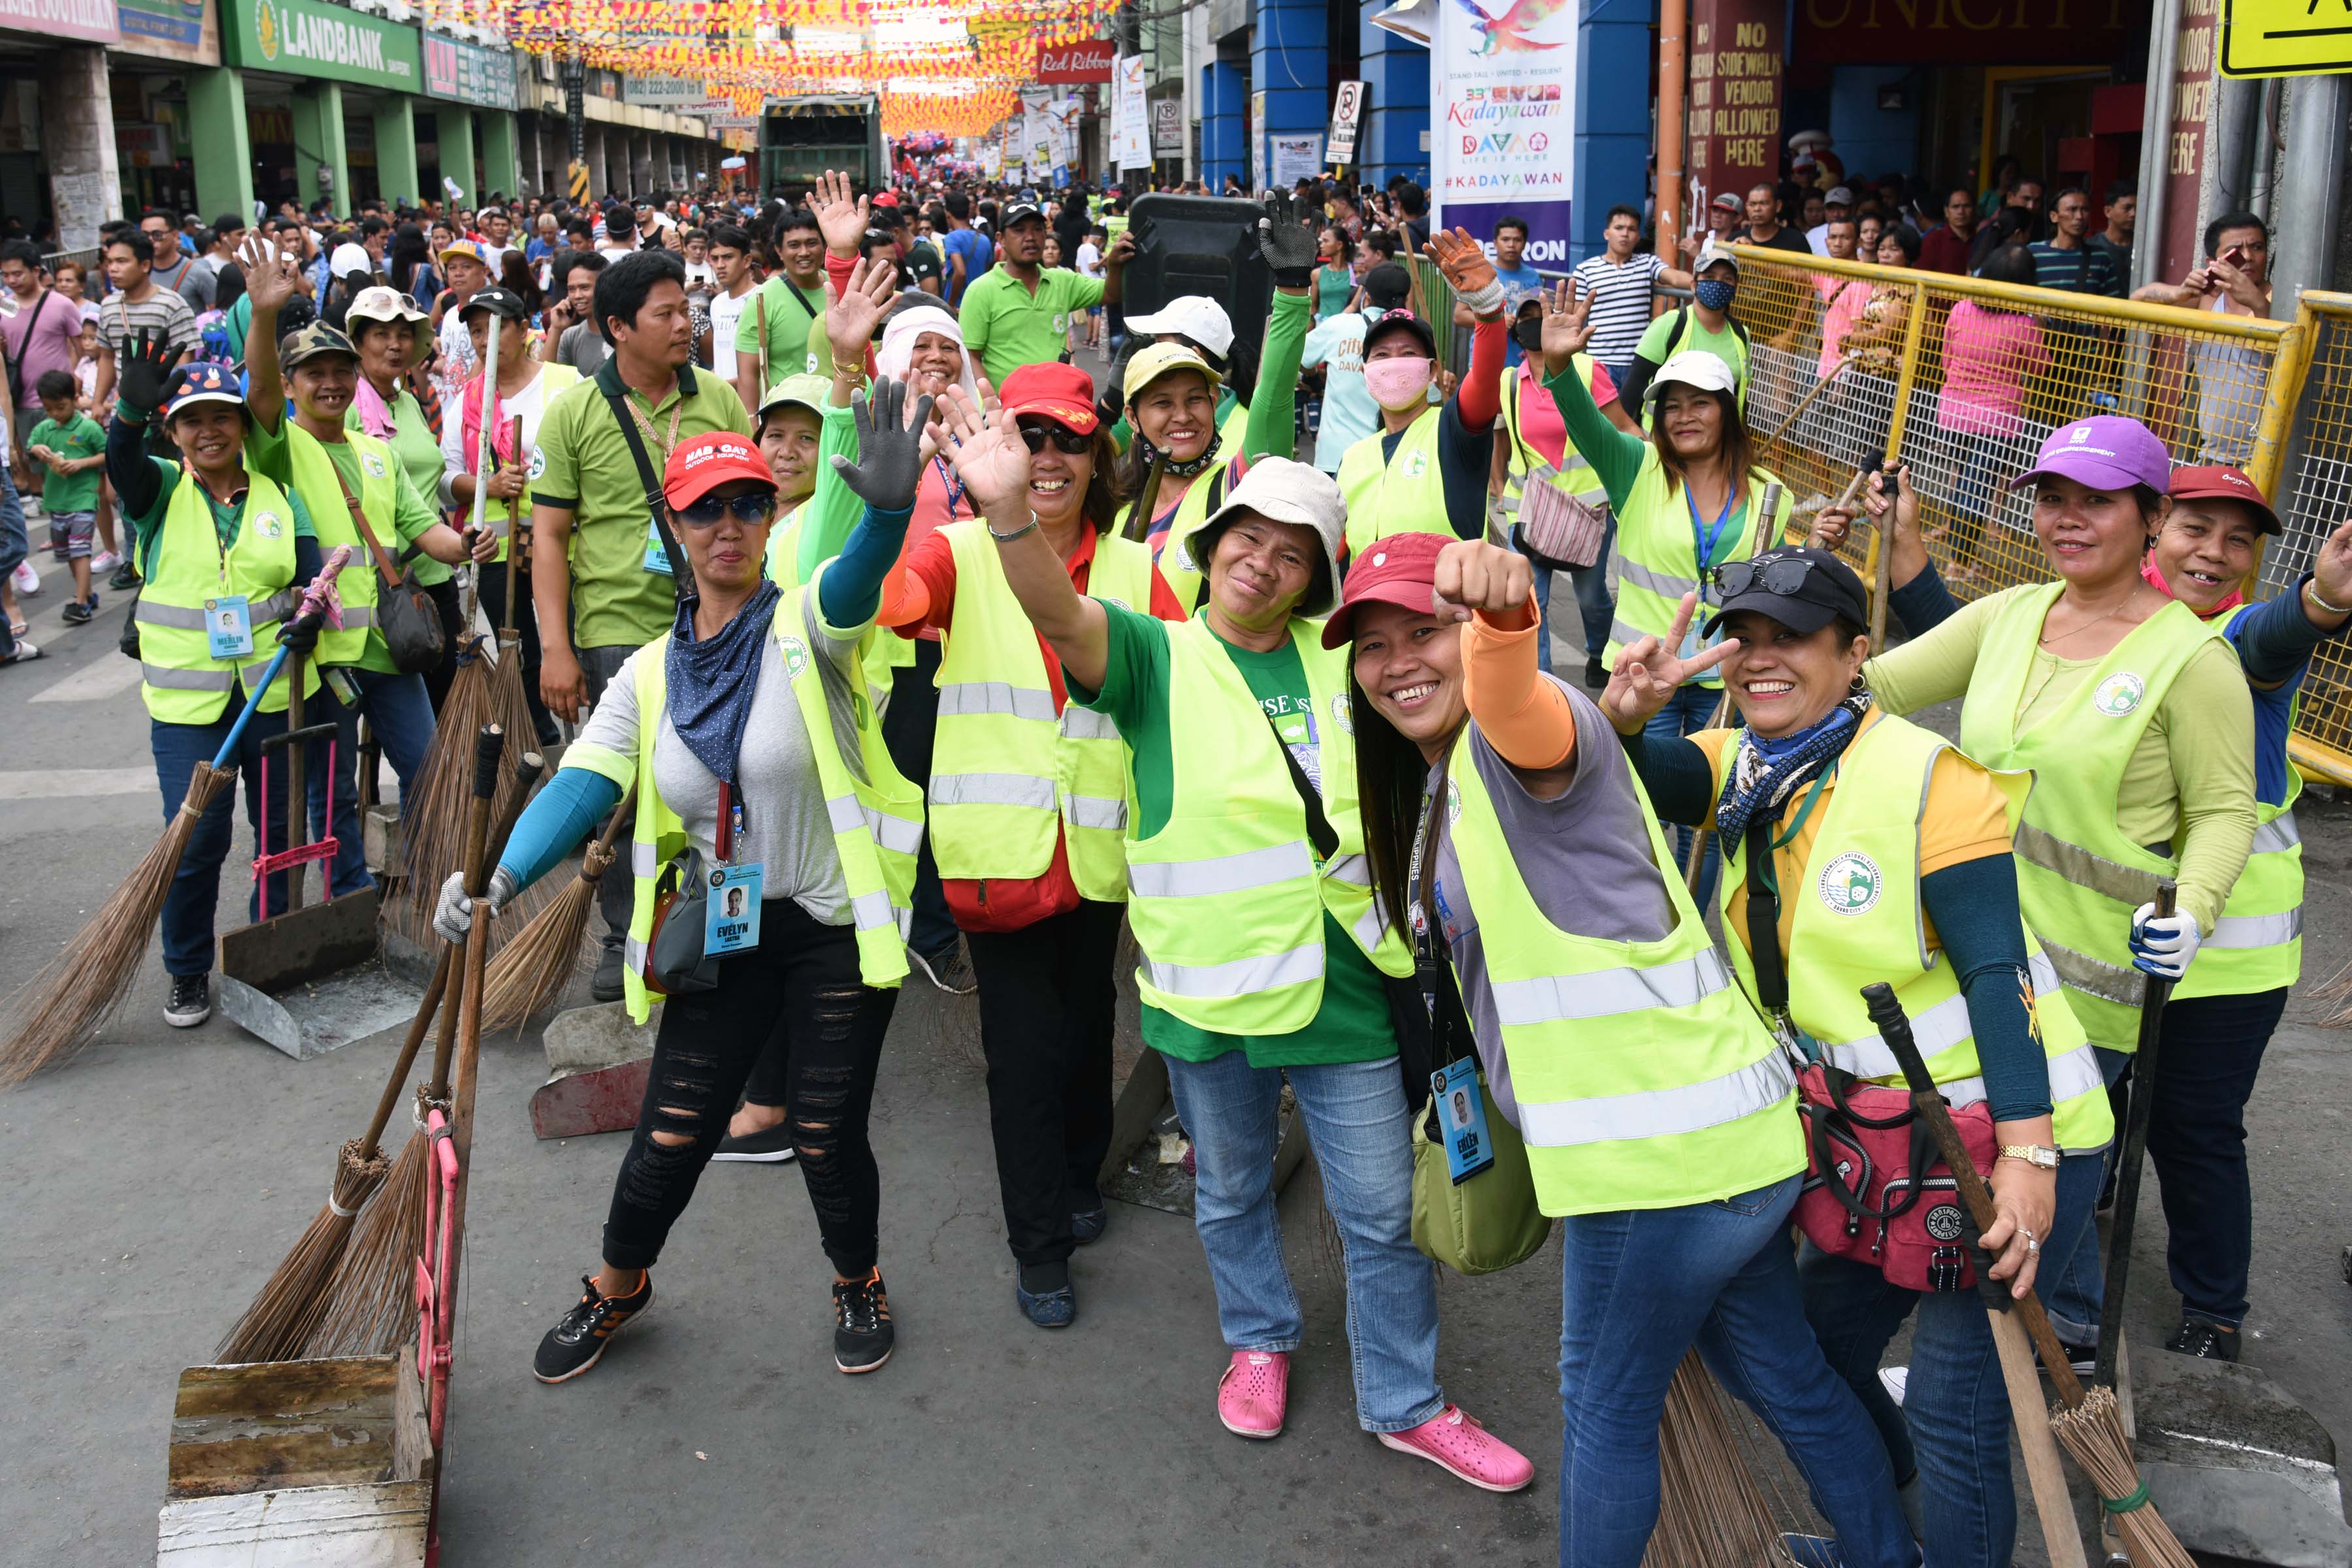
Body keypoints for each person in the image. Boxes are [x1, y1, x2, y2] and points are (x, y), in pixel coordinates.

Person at [951, 387, 1535, 1484]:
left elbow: (1447, 697)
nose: (1263, 565)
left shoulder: (1346, 659)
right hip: (1207, 993)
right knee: (1228, 1191)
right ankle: (1259, 1340)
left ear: (1315, 578)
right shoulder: (1154, 656)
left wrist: (1502, 614)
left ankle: (1404, 1398)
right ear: (1213, 544)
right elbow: (1059, 616)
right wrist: (1009, 517)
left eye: (1292, 554)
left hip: (1344, 992)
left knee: (1380, 1211)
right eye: (1248, 540)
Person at [1328, 529, 1914, 1565]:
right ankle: (1887, 1556)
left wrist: (1505, 615)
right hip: (1726, 1143)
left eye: (1425, 631)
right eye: (1372, 645)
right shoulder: (1454, 776)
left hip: (1659, 1166)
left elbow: (1520, 705)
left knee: (1603, 1408)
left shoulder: (1513, 742)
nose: (1397, 663)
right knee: (1784, 1378)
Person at [1602, 545, 2108, 1565]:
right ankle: (1897, 1542)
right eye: (1744, 639)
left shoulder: (1931, 780)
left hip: (2000, 1133)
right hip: (1873, 1138)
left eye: (1791, 638)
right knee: (1814, 1350)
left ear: (1856, 653)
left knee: (1958, 1409)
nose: (1760, 659)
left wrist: (2030, 1157)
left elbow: (1997, 974)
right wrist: (1625, 716)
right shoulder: (1742, 765)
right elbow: (1634, 777)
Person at [439, 393, 930, 1383]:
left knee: (825, 1133)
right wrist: (496, 877)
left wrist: (885, 515)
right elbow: (584, 783)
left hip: (833, 924)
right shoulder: (650, 674)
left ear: (770, 516)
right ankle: (618, 1286)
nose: (728, 526)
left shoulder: (810, 625)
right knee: (670, 1132)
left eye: (748, 504)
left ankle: (858, 1279)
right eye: (706, 509)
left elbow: (857, 582)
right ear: (673, 524)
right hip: (726, 931)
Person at [1836, 457, 2349, 1369]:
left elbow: (2277, 639)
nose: (2214, 553)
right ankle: (2064, 1318)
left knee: (2188, 1135)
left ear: (2140, 518)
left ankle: (2209, 1312)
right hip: (2068, 953)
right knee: (2081, 1141)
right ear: (2163, 530)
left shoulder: (2221, 643)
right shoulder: (2050, 615)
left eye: (2239, 541)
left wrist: (2322, 599)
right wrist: (1894, 560)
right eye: (2199, 530)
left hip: (2221, 955)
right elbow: (1976, 646)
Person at [843, 359, 1184, 1324]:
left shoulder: (1135, 570)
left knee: (1086, 1030)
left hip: (1100, 860)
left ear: (1098, 458)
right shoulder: (957, 551)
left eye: (1068, 439)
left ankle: (1078, 1178)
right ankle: (1039, 1248)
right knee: (1025, 1056)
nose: (1047, 457)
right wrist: (883, 517)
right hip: (998, 858)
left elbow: (1178, 693)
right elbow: (885, 605)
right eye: (1027, 436)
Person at [531, 247, 756, 1004]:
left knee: (725, 783)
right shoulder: (573, 413)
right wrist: (556, 648)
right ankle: (626, 935)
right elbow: (549, 538)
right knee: (625, 793)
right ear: (617, 328)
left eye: (686, 310)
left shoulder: (718, 399)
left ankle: (718, 930)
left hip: (720, 623)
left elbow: (755, 506)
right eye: (665, 314)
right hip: (617, 629)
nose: (685, 324)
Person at [1533, 282, 1795, 894]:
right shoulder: (1636, 467)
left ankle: (1694, 921)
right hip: (1641, 675)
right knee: (1639, 801)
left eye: (1700, 403)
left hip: (1723, 678)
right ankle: (1649, 911)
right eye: (1671, 405)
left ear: (1727, 410)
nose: (1683, 416)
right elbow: (1582, 422)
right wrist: (1560, 366)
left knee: (1713, 810)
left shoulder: (1769, 494)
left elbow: (1775, 586)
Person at [242, 246, 482, 894]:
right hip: (319, 656)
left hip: (386, 648)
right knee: (333, 793)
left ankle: (434, 883)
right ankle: (348, 894)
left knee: (428, 767)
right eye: (313, 374)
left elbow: (424, 529)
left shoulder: (377, 454)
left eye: (340, 372)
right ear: (291, 384)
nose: (330, 384)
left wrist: (467, 545)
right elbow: (256, 394)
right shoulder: (279, 447)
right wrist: (263, 316)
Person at [103, 335, 327, 1030]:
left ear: (242, 426)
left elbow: (311, 579)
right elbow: (122, 465)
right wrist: (127, 417)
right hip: (187, 708)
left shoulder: (280, 497)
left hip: (273, 694)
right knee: (195, 842)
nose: (209, 431)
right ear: (174, 433)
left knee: (280, 836)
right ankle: (187, 972)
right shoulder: (159, 492)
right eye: (192, 420)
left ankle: (269, 955)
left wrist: (309, 619)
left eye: (222, 417)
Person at [1119, 195, 1316, 609]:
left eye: (1195, 399)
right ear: (1132, 418)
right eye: (1162, 403)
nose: (1182, 416)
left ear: (1214, 399)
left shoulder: (1238, 483)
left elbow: (1275, 393)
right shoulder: (1113, 502)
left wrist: (1293, 289)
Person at [442, 284, 581, 747]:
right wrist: (490, 485)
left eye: (496, 328)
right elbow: (447, 479)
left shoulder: (566, 383)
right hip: (498, 549)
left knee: (574, 636)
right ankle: (537, 739)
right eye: (476, 332)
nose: (485, 340)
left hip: (566, 543)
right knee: (516, 648)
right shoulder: (469, 400)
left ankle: (588, 734)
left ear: (524, 330)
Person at [1337, 231, 1511, 566]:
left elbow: (1485, 378)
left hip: (1448, 602)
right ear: (1365, 372)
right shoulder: (1353, 458)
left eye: (1408, 353)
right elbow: (1340, 551)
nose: (1394, 363)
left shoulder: (1454, 431)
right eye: (1382, 355)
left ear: (1432, 371)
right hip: (1366, 600)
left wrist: (1488, 310)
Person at [1491, 299, 1635, 686]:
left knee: (1591, 598)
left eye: (1540, 317)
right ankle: (1543, 686)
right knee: (1531, 600)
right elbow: (1500, 439)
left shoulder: (1587, 370)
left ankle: (1599, 651)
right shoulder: (1508, 381)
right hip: (1530, 510)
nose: (1534, 324)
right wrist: (1495, 485)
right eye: (1526, 318)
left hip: (1588, 510)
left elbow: (1624, 428)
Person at [1925, 243, 2046, 580]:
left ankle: (1962, 555)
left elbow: (1947, 357)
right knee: (1976, 489)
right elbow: (2041, 367)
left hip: (1953, 412)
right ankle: (1960, 562)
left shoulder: (1961, 308)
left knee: (1963, 483)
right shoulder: (2023, 324)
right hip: (1997, 420)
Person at [2132, 211, 2270, 465]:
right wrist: (2180, 293)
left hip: (2269, 458)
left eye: (2257, 247)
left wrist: (2259, 305)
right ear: (2214, 263)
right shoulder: (2207, 300)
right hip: (2215, 454)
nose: (2249, 257)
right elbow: (2138, 300)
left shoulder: (2278, 300)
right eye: (2236, 251)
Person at [962, 198, 1134, 387]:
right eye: (1019, 230)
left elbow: (1111, 293)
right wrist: (990, 399)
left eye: (1037, 229)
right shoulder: (980, 291)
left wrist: (1114, 265)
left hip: (1057, 402)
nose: (1030, 237)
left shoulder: (1063, 281)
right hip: (1005, 404)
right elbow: (970, 355)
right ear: (1001, 239)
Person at [1301, 261, 1408, 479]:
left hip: (1335, 457)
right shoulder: (1411, 339)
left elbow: (1301, 357)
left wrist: (1314, 377)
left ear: (1366, 297)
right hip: (1389, 460)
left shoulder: (1340, 325)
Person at [1620, 240, 1748, 411]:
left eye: (1727, 279)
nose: (1718, 284)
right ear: (1694, 285)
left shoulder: (1741, 334)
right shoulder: (1669, 325)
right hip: (1664, 428)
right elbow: (1634, 388)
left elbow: (1740, 394)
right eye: (1710, 277)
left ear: (1735, 288)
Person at [24, 370, 105, 625]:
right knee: (68, 553)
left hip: (83, 499)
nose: (55, 414)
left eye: (60, 407)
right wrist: (36, 450)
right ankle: (87, 594)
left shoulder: (88, 428)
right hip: (56, 501)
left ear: (74, 399)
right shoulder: (43, 428)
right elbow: (30, 448)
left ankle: (80, 603)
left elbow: (107, 454)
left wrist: (82, 463)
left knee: (81, 551)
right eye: (49, 409)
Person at [91, 229, 201, 416]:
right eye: (109, 262)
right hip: (124, 408)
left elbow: (186, 359)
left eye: (122, 261)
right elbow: (107, 357)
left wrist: (178, 407)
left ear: (145, 265)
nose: (113, 268)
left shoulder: (172, 305)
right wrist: (98, 403)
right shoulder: (108, 306)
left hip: (163, 408)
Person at [1568, 206, 1676, 378]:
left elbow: (1674, 278)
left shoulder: (1648, 263)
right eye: (1619, 228)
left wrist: (1700, 281)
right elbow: (1575, 319)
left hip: (1638, 361)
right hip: (1599, 361)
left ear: (1638, 237)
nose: (1625, 234)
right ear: (1607, 234)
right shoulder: (1585, 269)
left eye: (1631, 229)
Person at [734, 207, 826, 405]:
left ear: (824, 245)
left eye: (812, 243)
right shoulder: (761, 301)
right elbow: (748, 375)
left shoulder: (842, 289)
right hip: (788, 416)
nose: (804, 252)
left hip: (839, 415)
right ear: (779, 251)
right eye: (794, 245)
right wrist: (751, 422)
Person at [1452, 214, 1546, 367]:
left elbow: (1538, 317)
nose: (1511, 245)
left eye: (1517, 240)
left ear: (1524, 244)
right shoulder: (1481, 273)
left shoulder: (1533, 276)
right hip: (1485, 357)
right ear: (1495, 244)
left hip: (1522, 360)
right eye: (1505, 239)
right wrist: (1496, 321)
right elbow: (1460, 316)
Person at [2031, 189, 2125, 299]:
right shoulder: (2034, 253)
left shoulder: (2100, 257)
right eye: (2072, 209)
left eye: (2085, 210)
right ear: (2054, 217)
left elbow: (2111, 303)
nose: (2080, 216)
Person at [703, 224, 757, 389]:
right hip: (722, 397)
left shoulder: (761, 298)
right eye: (715, 259)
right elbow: (721, 357)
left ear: (746, 261)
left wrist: (724, 385)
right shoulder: (717, 303)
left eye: (727, 257)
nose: (720, 265)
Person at [543, 250, 611, 377]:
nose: (577, 296)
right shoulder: (571, 337)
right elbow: (546, 378)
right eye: (571, 289)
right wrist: (555, 329)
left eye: (585, 288)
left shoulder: (623, 333)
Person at [939, 190, 993, 306]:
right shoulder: (985, 239)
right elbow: (986, 272)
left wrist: (952, 303)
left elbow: (960, 272)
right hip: (980, 301)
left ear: (948, 214)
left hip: (959, 304)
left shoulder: (952, 238)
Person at [1742, 183, 1815, 257]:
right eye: (1752, 204)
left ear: (1778, 206)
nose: (1757, 209)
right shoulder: (1738, 241)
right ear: (1746, 206)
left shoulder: (1796, 240)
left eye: (1764, 203)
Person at [2089, 180, 2136, 286]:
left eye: (2137, 208)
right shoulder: (2091, 247)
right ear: (2108, 211)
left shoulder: (2145, 248)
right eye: (2127, 208)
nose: (2133, 214)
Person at [1806, 186, 1856, 255]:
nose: (1836, 214)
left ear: (1852, 209)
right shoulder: (1812, 235)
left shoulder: (1863, 234)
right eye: (1830, 209)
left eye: (1842, 208)